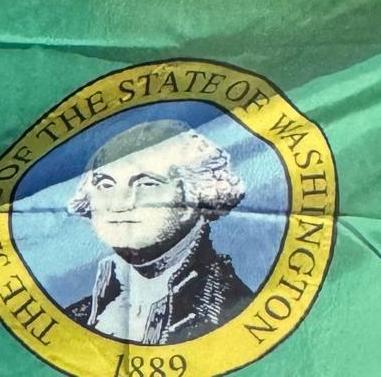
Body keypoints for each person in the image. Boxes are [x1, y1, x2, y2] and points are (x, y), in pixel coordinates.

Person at [59, 120, 258, 345]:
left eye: (146, 184)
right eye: (106, 185)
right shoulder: (75, 317)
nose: (119, 203)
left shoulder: (231, 309)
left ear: (191, 198)